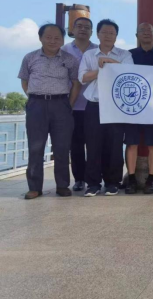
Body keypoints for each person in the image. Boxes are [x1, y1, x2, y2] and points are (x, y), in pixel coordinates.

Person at [18, 24, 81, 200]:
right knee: (35, 148)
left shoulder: (69, 59)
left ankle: (62, 185)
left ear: (62, 40)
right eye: (48, 37)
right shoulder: (30, 57)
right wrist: (34, 98)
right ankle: (34, 188)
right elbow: (24, 81)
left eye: (57, 38)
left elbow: (76, 83)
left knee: (62, 148)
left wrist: (68, 105)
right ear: (40, 38)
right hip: (36, 105)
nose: (53, 41)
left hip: (61, 105)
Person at [79, 19, 134, 197]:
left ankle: (112, 182)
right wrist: (100, 69)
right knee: (93, 145)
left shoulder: (124, 54)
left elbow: (130, 73)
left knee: (114, 146)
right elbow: (82, 77)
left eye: (112, 33)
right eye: (104, 32)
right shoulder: (89, 55)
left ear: (116, 36)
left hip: (116, 106)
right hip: (94, 105)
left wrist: (108, 61)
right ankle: (93, 183)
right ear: (98, 34)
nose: (108, 36)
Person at [125, 23, 153, 195]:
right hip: (132, 106)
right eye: (142, 31)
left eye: (149, 31)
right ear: (137, 35)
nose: (146, 33)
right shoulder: (129, 55)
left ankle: (151, 179)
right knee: (131, 143)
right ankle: (132, 178)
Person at [60, 17, 98, 191]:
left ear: (92, 31)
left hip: (94, 105)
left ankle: (94, 179)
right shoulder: (63, 51)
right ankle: (79, 179)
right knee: (75, 146)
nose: (83, 29)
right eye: (80, 26)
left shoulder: (98, 51)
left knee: (94, 145)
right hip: (72, 106)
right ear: (73, 30)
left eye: (87, 27)